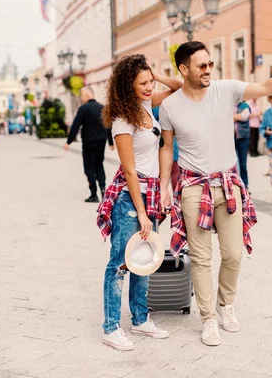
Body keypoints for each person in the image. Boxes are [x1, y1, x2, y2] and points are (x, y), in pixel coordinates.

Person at [158, 41, 272, 346]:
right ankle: (208, 318)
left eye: (210, 63)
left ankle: (226, 305)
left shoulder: (226, 90)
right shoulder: (170, 106)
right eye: (202, 65)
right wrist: (163, 186)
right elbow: (166, 148)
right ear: (184, 69)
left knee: (234, 254)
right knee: (200, 257)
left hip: (228, 185)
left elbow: (266, 84)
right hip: (194, 186)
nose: (209, 69)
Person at [96, 54, 182, 352]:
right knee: (120, 262)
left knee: (144, 260)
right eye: (142, 83)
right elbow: (129, 169)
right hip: (130, 198)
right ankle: (110, 327)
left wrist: (154, 74)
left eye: (149, 82)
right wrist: (143, 213)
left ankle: (140, 319)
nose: (148, 87)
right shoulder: (122, 119)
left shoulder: (146, 105)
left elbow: (180, 88)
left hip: (152, 192)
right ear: (126, 86)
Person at [65, 87, 114, 203]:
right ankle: (103, 190)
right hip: (101, 141)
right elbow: (109, 126)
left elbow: (76, 125)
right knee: (99, 165)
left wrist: (68, 141)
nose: (81, 98)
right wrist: (111, 142)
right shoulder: (103, 108)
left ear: (87, 95)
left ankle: (93, 194)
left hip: (88, 142)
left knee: (89, 168)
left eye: (82, 95)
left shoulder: (83, 109)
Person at [152, 106, 180, 190]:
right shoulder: (172, 106)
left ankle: (159, 194)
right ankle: (177, 197)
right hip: (173, 142)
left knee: (160, 173)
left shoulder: (155, 107)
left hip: (159, 143)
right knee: (175, 171)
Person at [234, 101, 251, 189]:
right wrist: (237, 117)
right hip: (231, 138)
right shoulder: (228, 104)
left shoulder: (245, 105)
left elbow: (244, 117)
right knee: (233, 163)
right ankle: (236, 185)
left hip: (243, 138)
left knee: (243, 164)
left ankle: (245, 185)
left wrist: (233, 116)